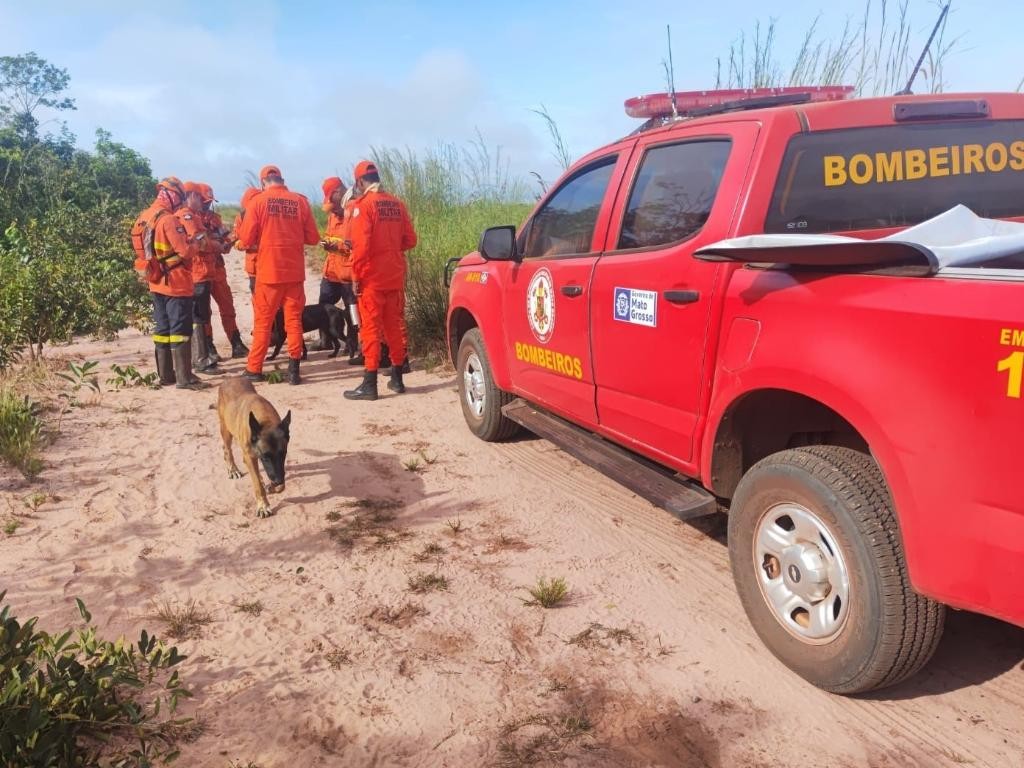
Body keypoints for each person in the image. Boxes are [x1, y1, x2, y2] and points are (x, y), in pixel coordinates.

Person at [236, 164, 320, 385]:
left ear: (263, 183)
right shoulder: (300, 201)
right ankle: (294, 371)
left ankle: (254, 368)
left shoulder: (258, 202)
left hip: (268, 274)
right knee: (293, 322)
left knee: (263, 322)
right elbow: (313, 238)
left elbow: (246, 239)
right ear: (282, 180)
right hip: (294, 273)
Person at [344, 160, 417, 401]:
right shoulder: (397, 204)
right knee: (393, 328)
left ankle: (370, 383)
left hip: (372, 279)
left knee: (371, 330)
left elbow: (361, 248)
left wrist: (356, 275)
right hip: (394, 276)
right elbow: (410, 240)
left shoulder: (363, 206)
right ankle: (397, 378)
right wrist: (390, 247)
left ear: (359, 182)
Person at [130, 177, 204, 389]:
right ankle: (184, 378)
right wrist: (196, 243)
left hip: (155, 281)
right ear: (172, 195)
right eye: (179, 198)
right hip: (175, 283)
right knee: (180, 328)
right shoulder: (168, 220)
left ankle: (166, 375)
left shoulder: (144, 217)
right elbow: (185, 251)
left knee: (162, 328)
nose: (180, 202)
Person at [197, 182, 249, 359]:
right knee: (204, 312)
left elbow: (226, 237)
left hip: (217, 269)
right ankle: (208, 347)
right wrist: (215, 244)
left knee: (227, 306)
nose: (207, 205)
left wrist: (229, 242)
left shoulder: (214, 218)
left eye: (209, 202)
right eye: (205, 201)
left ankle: (236, 342)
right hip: (199, 271)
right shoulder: (189, 219)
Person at [318, 176, 361, 362]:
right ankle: (326, 340)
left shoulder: (354, 211)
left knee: (352, 310)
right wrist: (327, 243)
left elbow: (355, 244)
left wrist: (338, 246)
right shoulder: (333, 216)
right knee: (323, 306)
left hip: (348, 272)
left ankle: (352, 343)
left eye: (333, 203)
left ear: (338, 192)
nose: (333, 209)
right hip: (331, 271)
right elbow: (329, 235)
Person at [181, 182, 221, 374]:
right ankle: (201, 360)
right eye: (199, 198)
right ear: (191, 196)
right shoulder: (187, 216)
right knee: (198, 316)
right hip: (197, 274)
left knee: (201, 315)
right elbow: (200, 243)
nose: (202, 202)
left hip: (201, 273)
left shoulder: (193, 216)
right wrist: (216, 245)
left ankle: (201, 357)